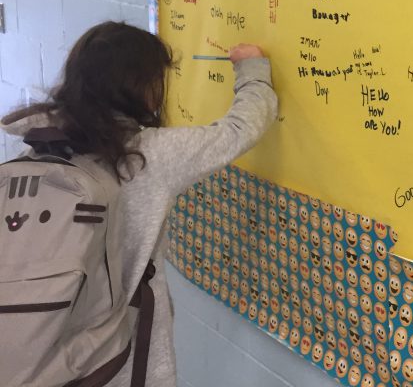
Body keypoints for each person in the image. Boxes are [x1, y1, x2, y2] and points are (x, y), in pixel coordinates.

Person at [1, 21, 278, 386]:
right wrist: (253, 69)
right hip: (122, 358)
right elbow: (240, 129)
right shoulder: (149, 154)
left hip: (50, 350)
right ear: (141, 87)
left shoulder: (40, 147)